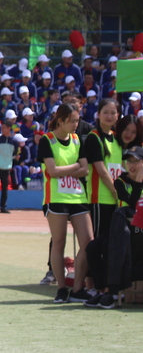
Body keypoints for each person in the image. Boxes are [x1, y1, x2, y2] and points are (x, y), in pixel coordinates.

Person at [38, 103, 93, 303]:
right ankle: (62, 289)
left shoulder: (77, 140)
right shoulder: (47, 140)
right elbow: (52, 171)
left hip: (78, 197)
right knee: (59, 242)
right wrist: (75, 166)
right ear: (60, 121)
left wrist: (65, 170)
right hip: (56, 198)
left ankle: (77, 288)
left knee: (88, 242)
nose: (75, 125)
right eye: (72, 121)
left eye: (77, 121)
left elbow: (85, 169)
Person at [83, 145, 143, 309]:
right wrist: (138, 183)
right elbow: (131, 201)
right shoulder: (120, 181)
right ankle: (102, 291)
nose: (132, 165)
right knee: (93, 247)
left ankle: (112, 292)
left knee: (109, 245)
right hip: (122, 229)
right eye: (129, 161)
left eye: (136, 161)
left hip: (139, 232)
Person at [83, 98, 123, 238]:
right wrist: (116, 192)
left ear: (118, 115)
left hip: (116, 199)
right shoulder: (94, 138)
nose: (109, 116)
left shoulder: (117, 138)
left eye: (113, 113)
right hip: (100, 199)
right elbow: (101, 171)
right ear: (98, 114)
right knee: (100, 240)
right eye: (105, 112)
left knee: (114, 241)